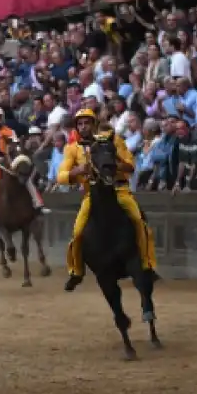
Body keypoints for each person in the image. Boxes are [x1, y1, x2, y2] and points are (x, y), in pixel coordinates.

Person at [57, 109, 159, 291]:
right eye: (80, 124)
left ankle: (147, 265)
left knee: (139, 222)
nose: (83, 127)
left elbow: (131, 166)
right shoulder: (72, 148)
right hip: (92, 194)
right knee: (78, 232)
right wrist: (78, 171)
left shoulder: (113, 140)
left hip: (119, 189)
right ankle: (76, 271)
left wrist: (110, 163)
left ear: (94, 124)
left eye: (87, 123)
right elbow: (61, 176)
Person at [0, 106, 50, 233]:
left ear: (1, 118)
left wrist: (12, 156)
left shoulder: (9, 131)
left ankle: (38, 204)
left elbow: (15, 145)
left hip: (8, 161)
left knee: (24, 179)